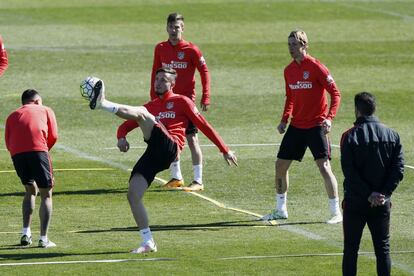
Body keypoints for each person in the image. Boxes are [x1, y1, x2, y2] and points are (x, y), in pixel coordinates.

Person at [85, 67, 237, 254]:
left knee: (143, 114)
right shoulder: (151, 105)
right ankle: (148, 241)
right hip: (155, 153)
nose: (158, 82)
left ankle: (103, 103)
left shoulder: (182, 101)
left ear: (172, 84)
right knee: (133, 194)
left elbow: (204, 125)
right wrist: (121, 137)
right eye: (156, 79)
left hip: (170, 147)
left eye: (163, 80)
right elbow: (125, 125)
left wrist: (225, 149)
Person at [262, 30, 342, 224]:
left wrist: (329, 118)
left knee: (323, 166)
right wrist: (284, 119)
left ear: (304, 45)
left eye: (295, 45)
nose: (291, 48)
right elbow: (290, 97)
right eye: (289, 45)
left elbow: (336, 93)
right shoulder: (288, 70)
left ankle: (335, 212)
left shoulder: (317, 67)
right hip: (296, 126)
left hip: (316, 125)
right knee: (280, 166)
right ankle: (281, 209)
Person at [341, 92, 404, 276]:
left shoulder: (349, 136)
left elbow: (349, 172)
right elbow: (398, 170)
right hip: (382, 204)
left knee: (351, 250)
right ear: (374, 109)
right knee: (383, 249)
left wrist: (369, 194)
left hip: (355, 203)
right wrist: (382, 193)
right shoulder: (392, 135)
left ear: (356, 110)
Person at [149, 13, 211, 191]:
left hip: (186, 103)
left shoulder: (192, 50)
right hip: (166, 101)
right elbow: (155, 72)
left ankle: (198, 180)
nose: (174, 30)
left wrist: (206, 95)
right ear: (166, 28)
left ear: (182, 28)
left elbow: (204, 71)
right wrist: (154, 96)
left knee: (192, 139)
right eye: (171, 27)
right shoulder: (160, 48)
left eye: (177, 27)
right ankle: (176, 177)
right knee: (168, 138)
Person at [5, 89, 58, 248]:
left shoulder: (12, 115)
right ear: (36, 101)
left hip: (17, 154)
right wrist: (42, 150)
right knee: (46, 194)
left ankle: (25, 233)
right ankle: (43, 238)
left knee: (30, 190)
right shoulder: (45, 109)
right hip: (38, 151)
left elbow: (8, 141)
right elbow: (54, 136)